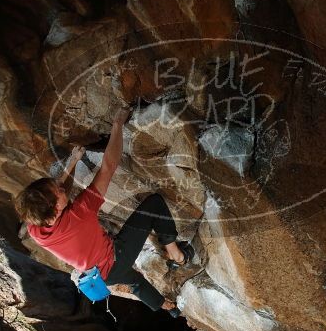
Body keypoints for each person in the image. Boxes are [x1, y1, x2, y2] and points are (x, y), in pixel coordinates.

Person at [13, 106, 194, 314]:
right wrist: (117, 124)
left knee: (135, 282)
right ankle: (178, 256)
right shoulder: (79, 213)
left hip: (102, 275)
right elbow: (108, 166)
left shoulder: (36, 227)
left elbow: (57, 194)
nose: (61, 186)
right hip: (117, 256)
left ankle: (166, 307)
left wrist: (73, 162)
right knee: (154, 204)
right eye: (58, 190)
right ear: (56, 208)